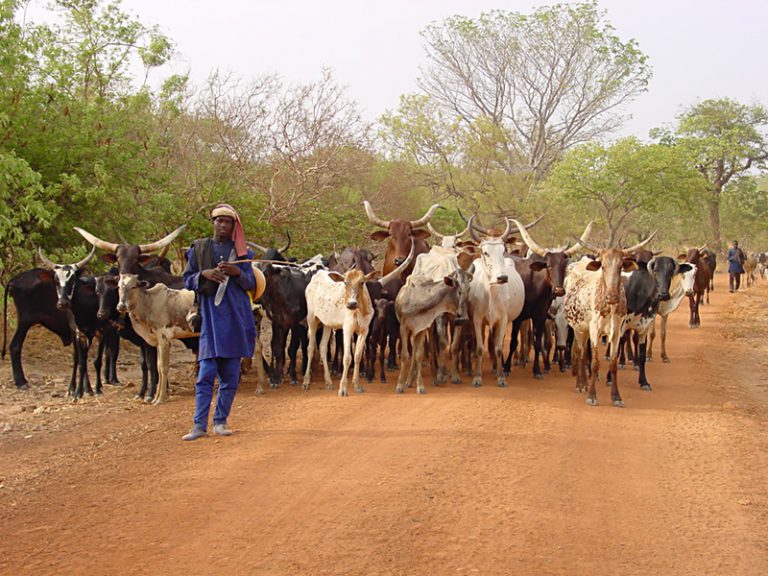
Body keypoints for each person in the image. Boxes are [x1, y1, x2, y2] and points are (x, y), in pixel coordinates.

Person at [181, 203, 256, 440]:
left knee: (230, 375)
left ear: (234, 226)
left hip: (236, 318)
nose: (223, 225)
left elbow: (251, 284)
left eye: (228, 222)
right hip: (211, 320)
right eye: (219, 221)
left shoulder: (243, 254)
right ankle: (198, 426)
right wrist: (203, 274)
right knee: (206, 373)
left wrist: (237, 273)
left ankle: (221, 422)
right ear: (212, 223)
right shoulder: (199, 249)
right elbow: (186, 280)